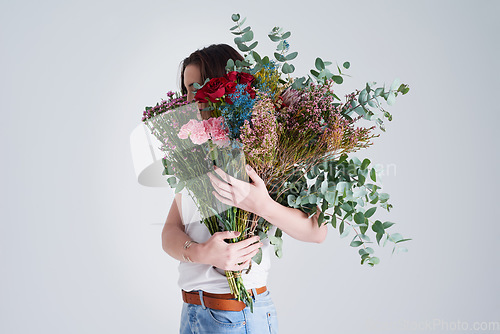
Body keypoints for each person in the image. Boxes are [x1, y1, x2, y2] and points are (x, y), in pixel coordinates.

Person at [161, 44, 328, 334]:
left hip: (234, 316)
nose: (192, 99)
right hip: (192, 313)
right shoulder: (195, 152)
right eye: (187, 90)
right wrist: (201, 253)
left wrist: (261, 204)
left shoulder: (264, 150)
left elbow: (317, 231)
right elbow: (170, 232)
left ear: (226, 85)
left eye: (200, 87)